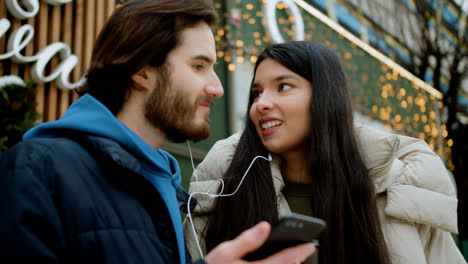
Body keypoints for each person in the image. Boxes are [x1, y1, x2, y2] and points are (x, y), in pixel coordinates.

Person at [0, 1, 316, 263]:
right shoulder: (36, 170)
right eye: (198, 66)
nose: (216, 87)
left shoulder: (164, 185)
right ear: (141, 70)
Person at [183, 41, 467, 264]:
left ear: (325, 97)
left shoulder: (399, 191)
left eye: (283, 87)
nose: (261, 104)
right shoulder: (223, 189)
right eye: (257, 93)